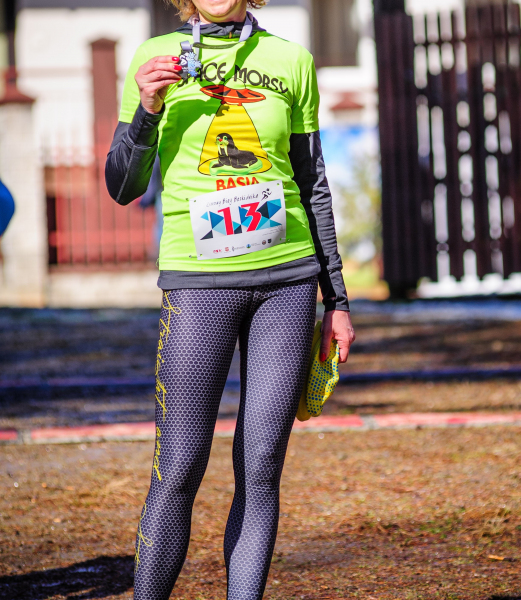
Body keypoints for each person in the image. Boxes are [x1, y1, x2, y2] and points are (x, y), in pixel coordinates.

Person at [105, 0, 355, 598]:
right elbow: (121, 186)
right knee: (179, 467)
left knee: (261, 468)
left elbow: (313, 184)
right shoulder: (153, 57)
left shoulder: (292, 61)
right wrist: (147, 109)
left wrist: (337, 300)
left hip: (287, 284)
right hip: (198, 287)